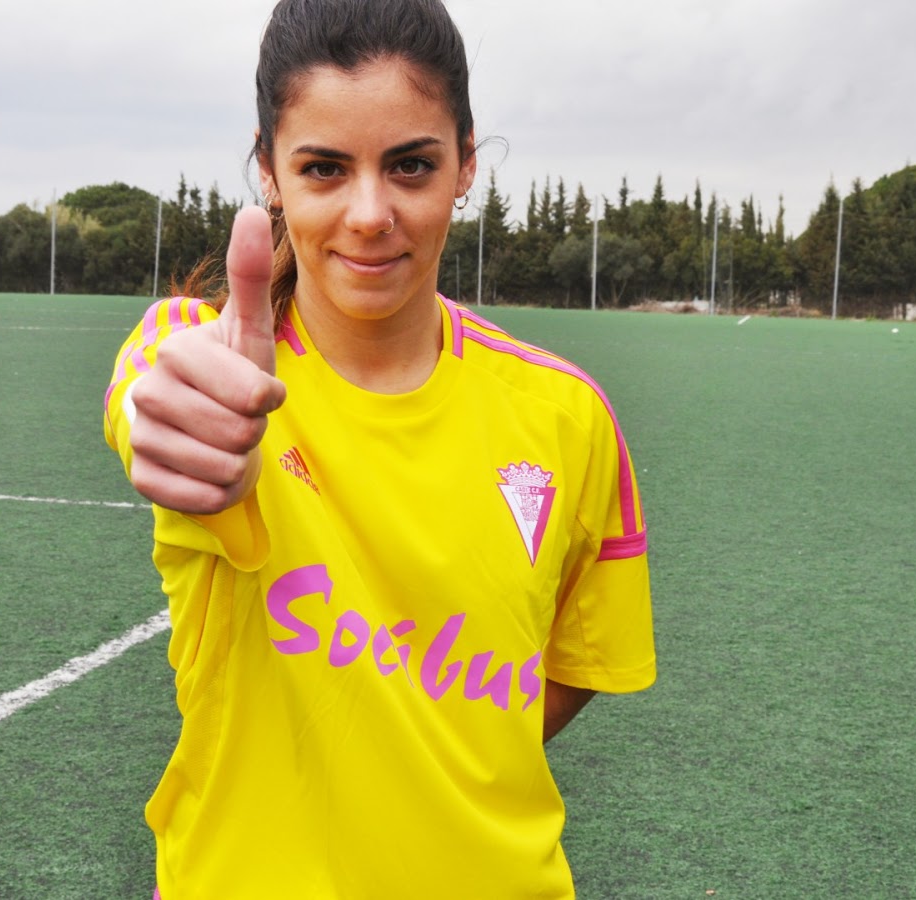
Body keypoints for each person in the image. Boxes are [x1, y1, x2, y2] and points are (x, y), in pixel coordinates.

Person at [103, 0, 655, 895]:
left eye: (411, 165)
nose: (369, 214)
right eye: (323, 168)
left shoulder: (568, 415)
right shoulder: (204, 360)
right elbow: (154, 390)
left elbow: (572, 670)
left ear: (466, 163)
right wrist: (183, 430)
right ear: (269, 172)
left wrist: (420, 727)